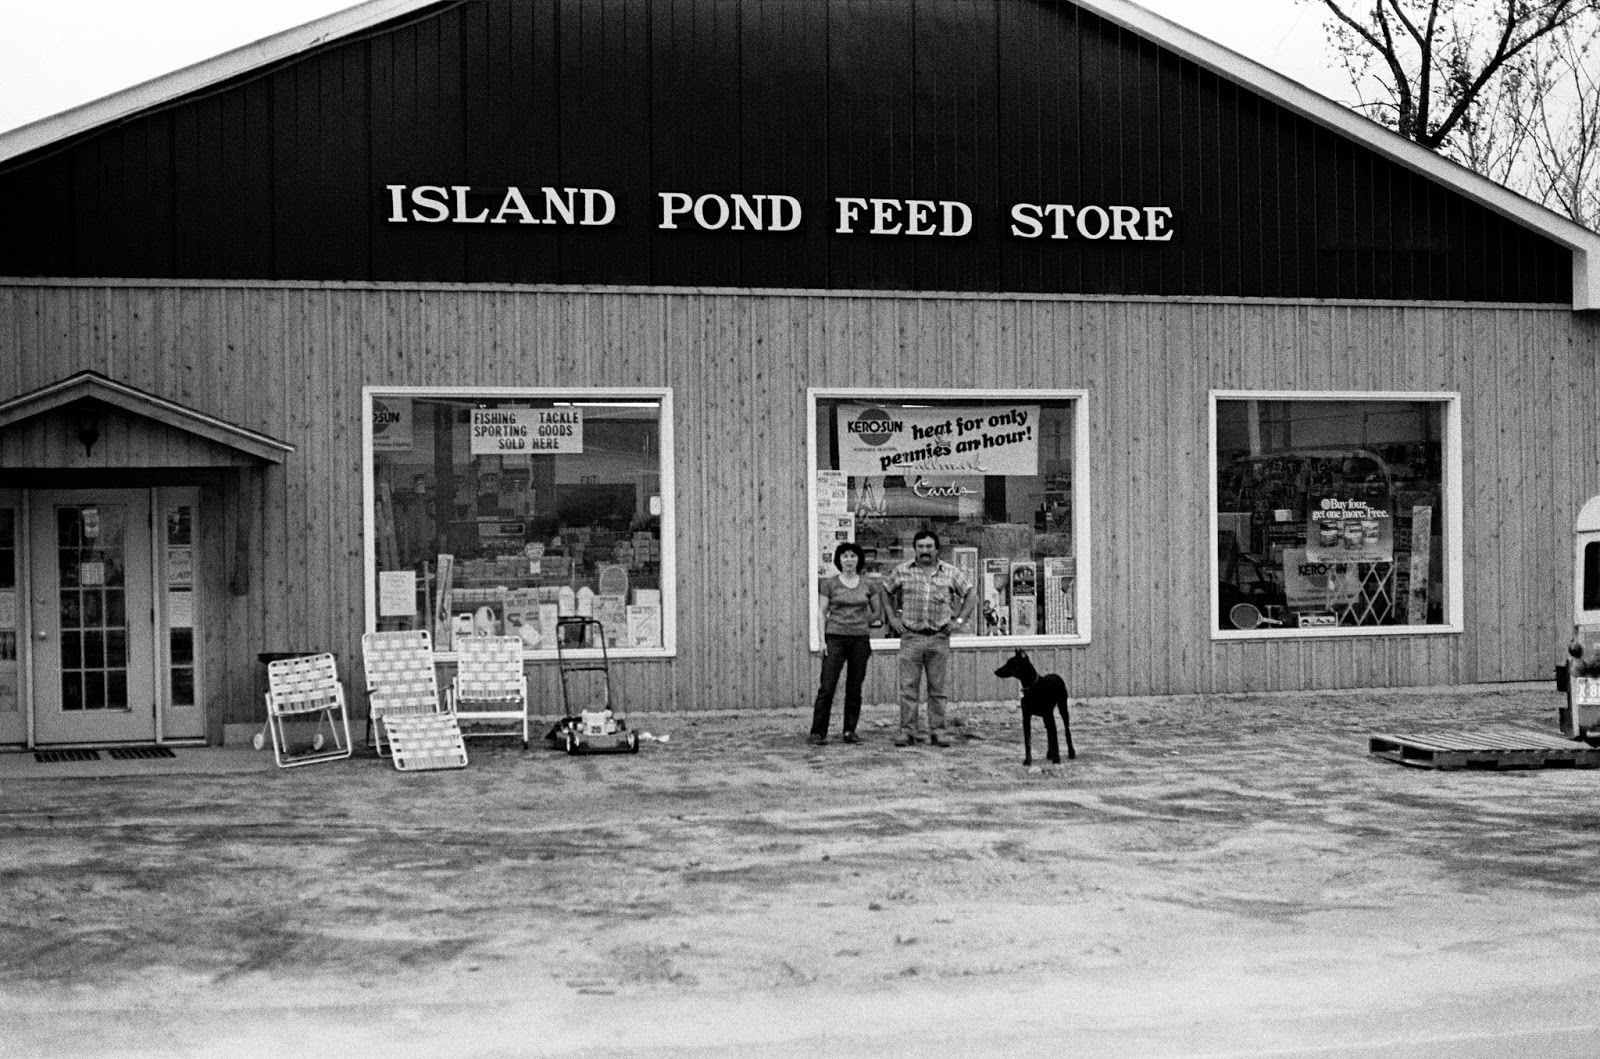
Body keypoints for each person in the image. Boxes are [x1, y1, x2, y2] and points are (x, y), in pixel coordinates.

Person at [884, 529, 974, 747]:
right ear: (915, 549)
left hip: (938, 637)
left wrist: (959, 621)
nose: (924, 551)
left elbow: (971, 594)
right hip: (911, 637)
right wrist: (893, 619)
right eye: (920, 547)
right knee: (908, 689)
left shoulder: (950, 573)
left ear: (936, 549)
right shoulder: (902, 571)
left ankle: (938, 731)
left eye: (929, 547)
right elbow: (885, 591)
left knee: (938, 690)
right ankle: (907, 732)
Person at [809, 542, 884, 745]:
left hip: (860, 640)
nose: (849, 560)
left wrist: (860, 622)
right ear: (839, 560)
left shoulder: (869, 584)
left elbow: (877, 612)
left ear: (859, 559)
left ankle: (850, 731)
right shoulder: (830, 584)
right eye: (845, 556)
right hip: (835, 639)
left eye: (853, 556)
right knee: (827, 687)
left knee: (854, 687)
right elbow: (822, 612)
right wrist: (822, 640)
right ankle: (818, 732)